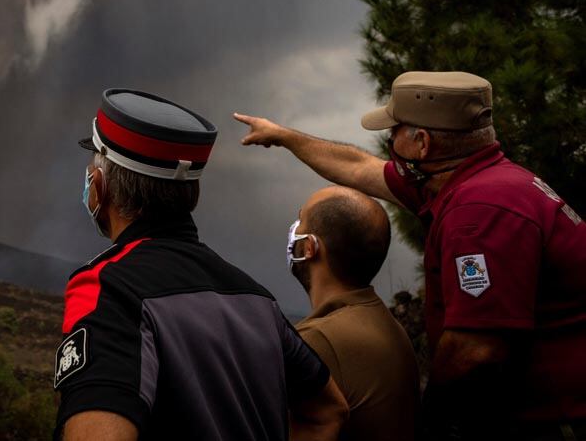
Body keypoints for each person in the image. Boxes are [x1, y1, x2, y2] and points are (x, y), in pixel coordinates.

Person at [235, 71, 586, 440]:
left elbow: (476, 349)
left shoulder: (480, 211)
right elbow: (358, 169)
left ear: (422, 142)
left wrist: (430, 420)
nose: (389, 139)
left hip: (555, 422)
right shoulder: (470, 181)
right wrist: (285, 137)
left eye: (395, 130)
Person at [55, 88, 348, 441]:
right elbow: (328, 411)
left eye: (92, 167)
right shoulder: (256, 298)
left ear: (99, 186)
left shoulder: (108, 288)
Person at [288, 185, 420, 441]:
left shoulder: (318, 341)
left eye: (301, 221)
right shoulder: (382, 321)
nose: (293, 230)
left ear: (309, 248)